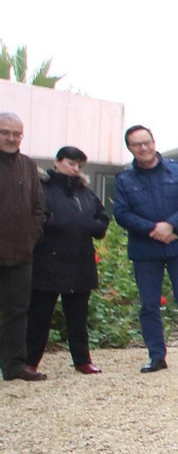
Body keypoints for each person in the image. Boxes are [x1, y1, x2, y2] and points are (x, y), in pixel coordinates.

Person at [113, 125, 178, 373]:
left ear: (154, 142)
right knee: (149, 305)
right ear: (130, 149)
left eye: (147, 142)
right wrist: (154, 230)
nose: (144, 148)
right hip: (146, 249)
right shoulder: (125, 180)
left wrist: (171, 225)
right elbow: (122, 214)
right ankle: (156, 357)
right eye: (137, 145)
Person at [25, 146, 109, 375]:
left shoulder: (86, 192)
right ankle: (30, 361)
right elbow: (36, 217)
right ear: (57, 162)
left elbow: (102, 218)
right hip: (48, 260)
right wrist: (58, 223)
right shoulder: (41, 188)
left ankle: (82, 360)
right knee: (40, 315)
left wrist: (91, 226)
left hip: (80, 261)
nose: (74, 169)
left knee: (78, 316)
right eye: (70, 163)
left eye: (79, 165)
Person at [0, 112, 46, 381]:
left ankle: (15, 366)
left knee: (17, 310)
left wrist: (33, 234)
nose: (11, 138)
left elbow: (39, 206)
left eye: (16, 134)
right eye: (5, 132)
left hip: (21, 251)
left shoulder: (28, 165)